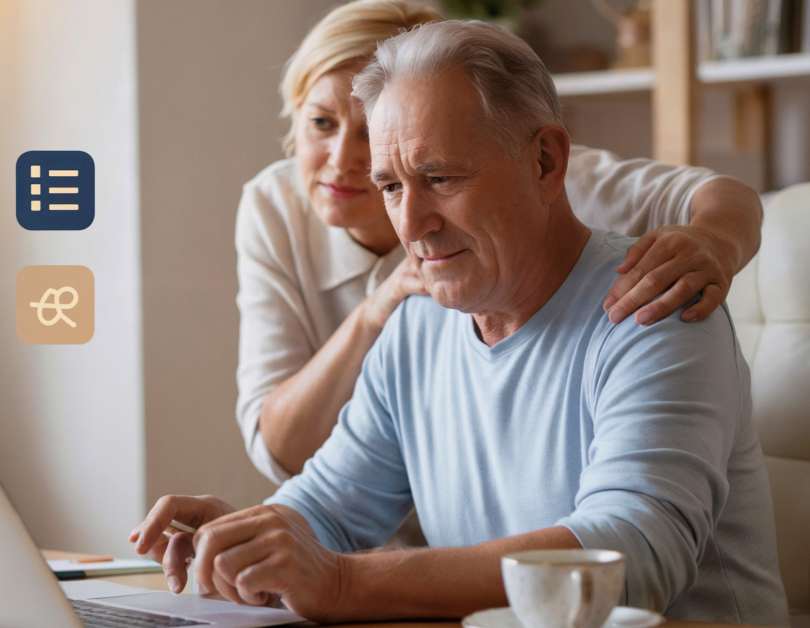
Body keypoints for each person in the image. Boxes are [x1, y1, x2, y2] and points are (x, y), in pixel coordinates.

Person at [134, 19, 789, 626]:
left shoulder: (657, 303)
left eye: (440, 177)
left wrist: (342, 584)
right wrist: (251, 539)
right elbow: (329, 510)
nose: (411, 227)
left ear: (546, 164)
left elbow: (629, 557)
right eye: (391, 187)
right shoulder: (417, 323)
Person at [238, 0, 763, 486]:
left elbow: (716, 194)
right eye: (320, 123)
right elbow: (286, 460)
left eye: (439, 175)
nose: (340, 160)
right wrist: (377, 312)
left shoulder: (531, 171)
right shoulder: (277, 206)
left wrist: (715, 240)